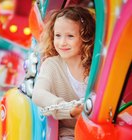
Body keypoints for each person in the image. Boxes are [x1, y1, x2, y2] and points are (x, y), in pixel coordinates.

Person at [32, 5, 95, 140]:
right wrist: (70, 110)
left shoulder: (96, 65)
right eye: (58, 35)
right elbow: (38, 93)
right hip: (70, 132)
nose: (62, 42)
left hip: (99, 132)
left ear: (86, 37)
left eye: (70, 36)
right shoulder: (52, 65)